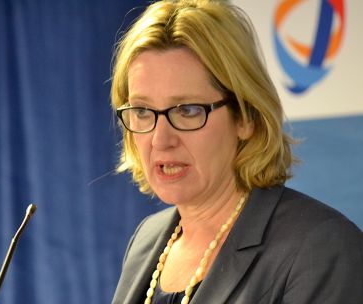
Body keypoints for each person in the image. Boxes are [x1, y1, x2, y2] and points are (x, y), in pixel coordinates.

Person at [109, 0, 363, 303]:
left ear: (245, 117)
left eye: (187, 110)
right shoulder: (146, 240)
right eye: (142, 111)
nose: (160, 139)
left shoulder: (319, 247)